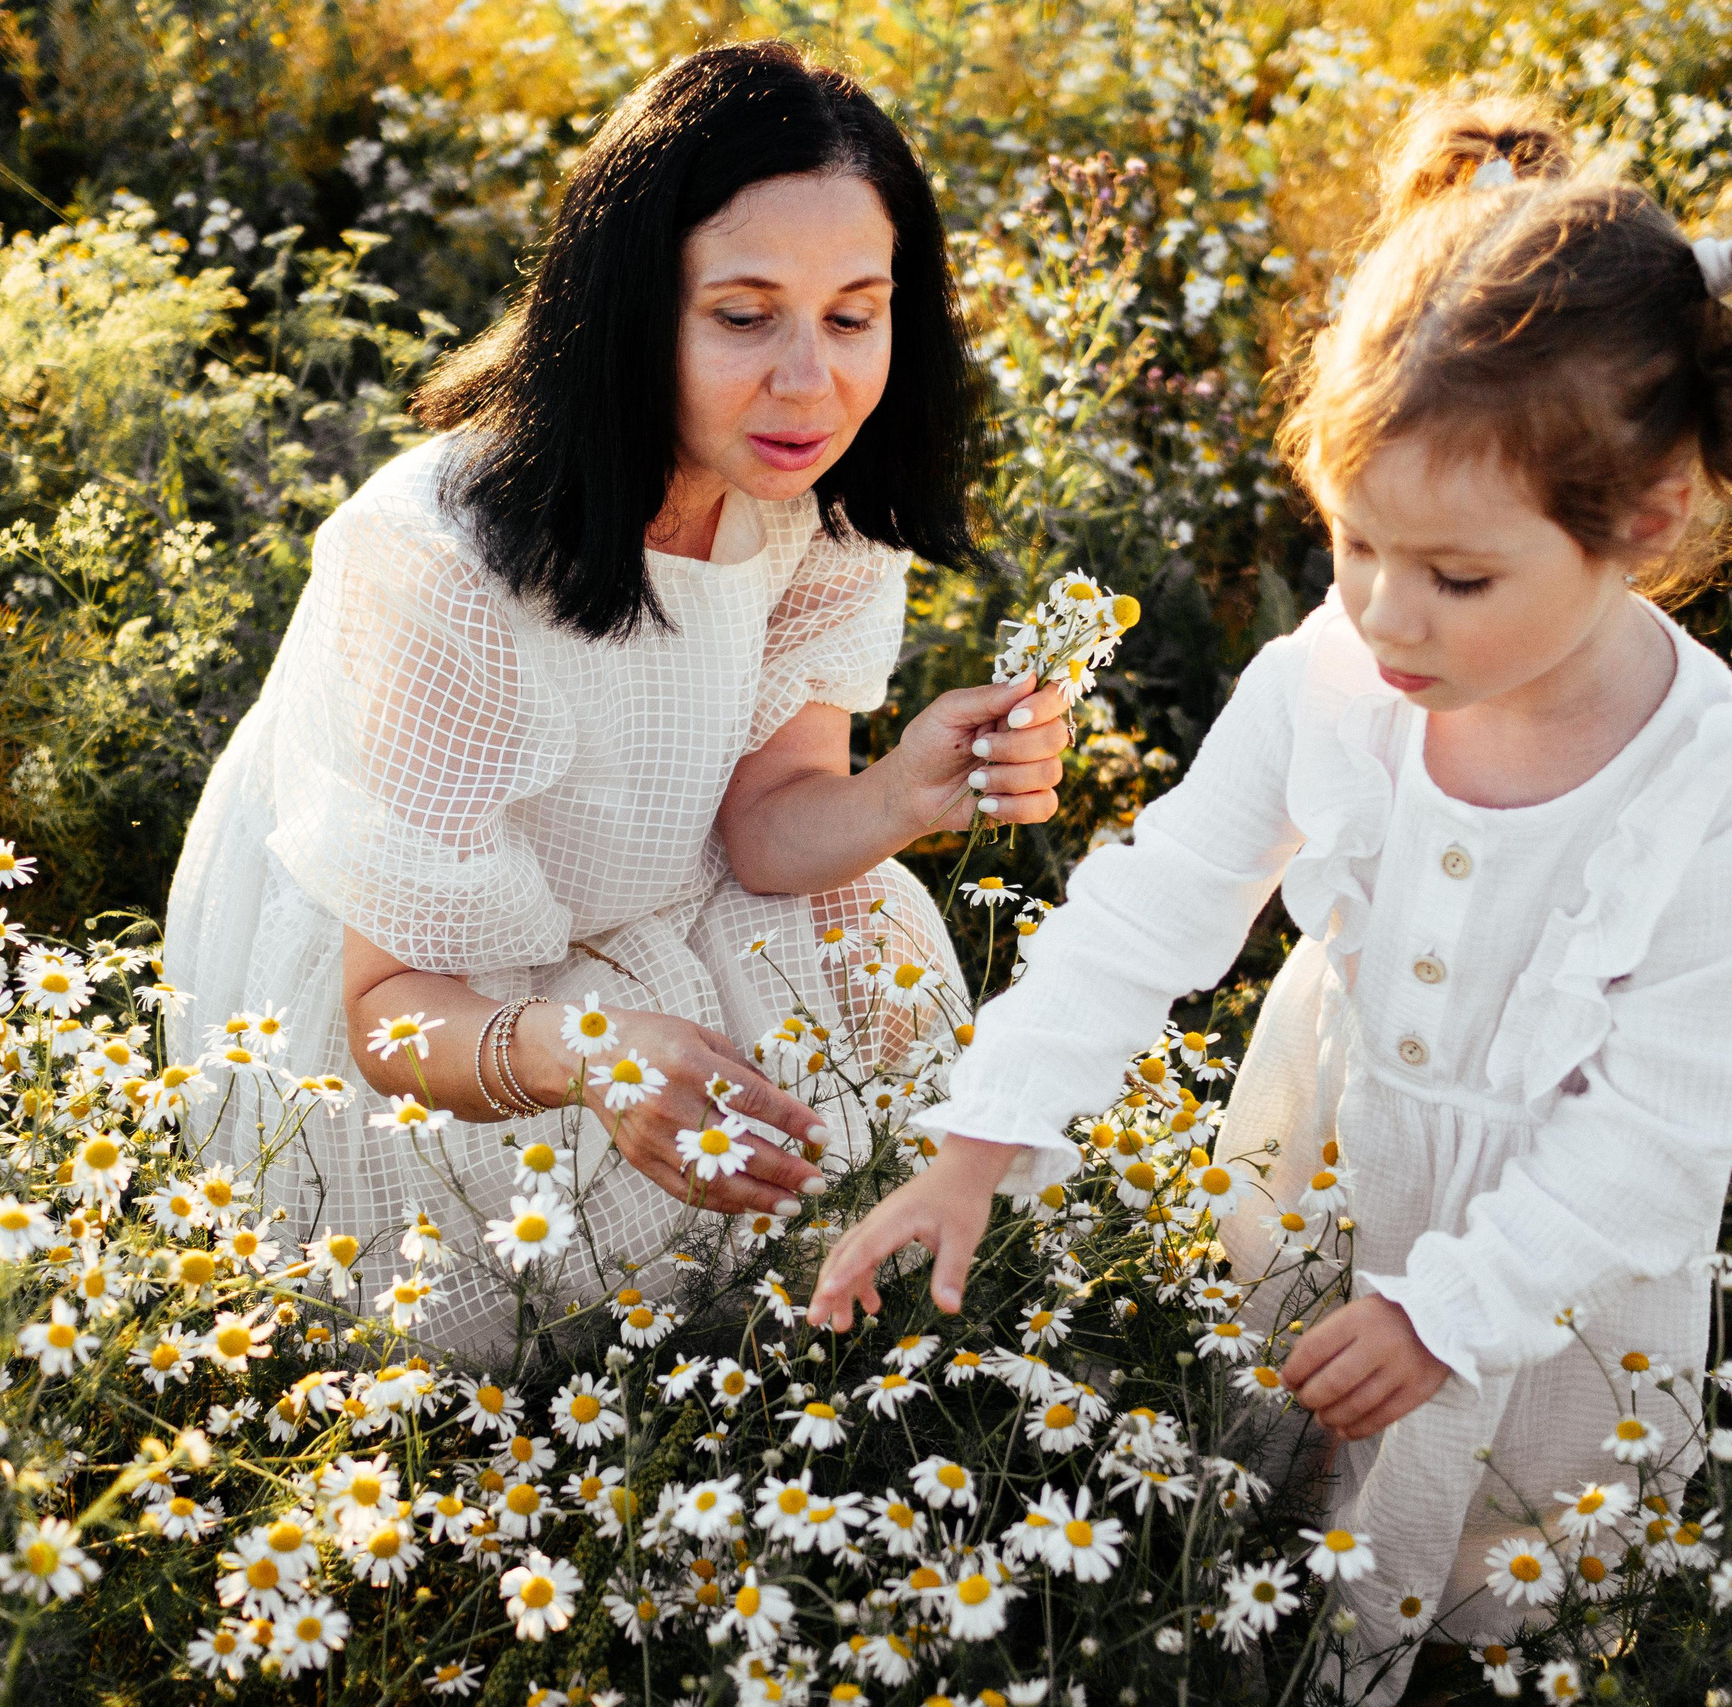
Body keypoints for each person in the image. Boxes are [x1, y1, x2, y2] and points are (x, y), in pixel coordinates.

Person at [807, 92, 1732, 1702]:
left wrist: (1455, 1314)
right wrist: (979, 1144)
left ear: (1642, 529)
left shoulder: (1719, 801)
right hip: (1332, 1159)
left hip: (1554, 1271)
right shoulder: (1336, 678)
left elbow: (1662, 1130)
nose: (1382, 612)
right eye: (1351, 542)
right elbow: (1161, 898)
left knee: (1494, 1605)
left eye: (1455, 576)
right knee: (1271, 1526)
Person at [163, 40, 1073, 1360]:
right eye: (744, 316)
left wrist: (903, 794)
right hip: (441, 984)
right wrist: (595, 1053)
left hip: (649, 892)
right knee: (547, 1293)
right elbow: (387, 1010)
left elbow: (766, 825)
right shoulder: (443, 559)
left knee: (857, 915)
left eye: (853, 315)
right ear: (633, 306)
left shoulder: (814, 499)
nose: (810, 383)